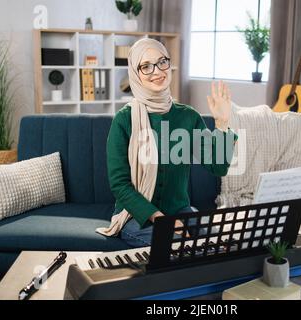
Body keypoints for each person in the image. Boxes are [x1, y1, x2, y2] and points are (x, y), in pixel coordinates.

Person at [96, 38, 238, 247]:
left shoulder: (188, 117)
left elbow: (218, 167)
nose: (157, 71)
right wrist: (166, 223)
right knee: (176, 242)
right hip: (136, 215)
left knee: (219, 242)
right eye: (146, 66)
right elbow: (120, 185)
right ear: (135, 74)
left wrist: (223, 123)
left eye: (162, 62)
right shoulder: (124, 119)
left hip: (180, 211)